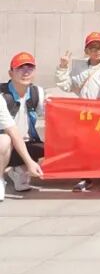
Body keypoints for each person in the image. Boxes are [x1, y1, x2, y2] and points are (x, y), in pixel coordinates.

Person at [56, 31, 100, 192]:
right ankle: (85, 177)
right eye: (92, 47)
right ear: (86, 51)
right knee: (84, 146)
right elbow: (67, 86)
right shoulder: (79, 68)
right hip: (84, 113)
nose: (96, 51)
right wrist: (63, 67)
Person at [1, 52, 48, 197]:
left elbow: (50, 116)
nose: (26, 72)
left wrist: (54, 106)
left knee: (53, 150)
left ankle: (18, 169)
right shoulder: (2, 96)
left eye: (29, 68)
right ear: (10, 73)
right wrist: (29, 162)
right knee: (4, 141)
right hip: (6, 145)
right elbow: (13, 132)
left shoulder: (37, 92)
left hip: (26, 142)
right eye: (20, 68)